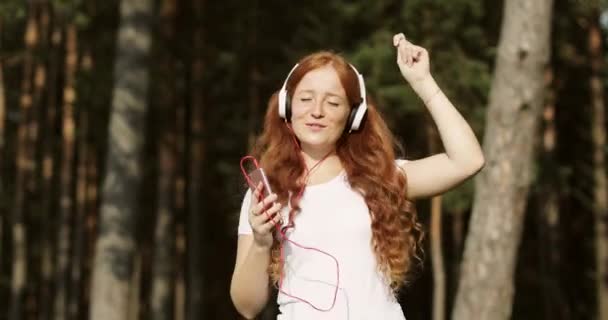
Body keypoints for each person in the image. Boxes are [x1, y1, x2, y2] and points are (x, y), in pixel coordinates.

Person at [230, 33, 485, 320]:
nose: (317, 111)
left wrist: (423, 82)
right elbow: (247, 306)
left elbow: (467, 161)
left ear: (353, 115)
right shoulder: (266, 190)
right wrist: (262, 243)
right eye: (306, 99)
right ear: (287, 107)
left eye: (333, 103)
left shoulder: (379, 176)